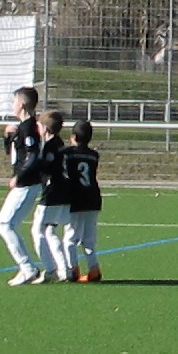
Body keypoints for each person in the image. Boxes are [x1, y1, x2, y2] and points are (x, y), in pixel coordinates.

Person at [0, 86, 46, 285]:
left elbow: (33, 155)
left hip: (27, 184)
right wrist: (8, 137)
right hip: (26, 183)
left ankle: (27, 268)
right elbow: (13, 154)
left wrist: (19, 176)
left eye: (14, 101)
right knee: (8, 224)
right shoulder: (23, 127)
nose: (12, 104)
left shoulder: (29, 127)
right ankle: (28, 267)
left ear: (22, 104)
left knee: (5, 224)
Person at [33, 110, 72, 283]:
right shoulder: (59, 143)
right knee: (50, 231)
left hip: (53, 193)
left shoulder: (50, 146)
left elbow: (45, 168)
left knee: (37, 230)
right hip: (64, 192)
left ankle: (49, 269)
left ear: (45, 128)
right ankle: (64, 270)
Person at [62, 120, 103, 283]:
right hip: (93, 197)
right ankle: (94, 269)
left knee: (70, 238)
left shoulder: (67, 153)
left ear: (73, 136)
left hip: (76, 198)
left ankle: (73, 269)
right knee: (89, 239)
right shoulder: (93, 155)